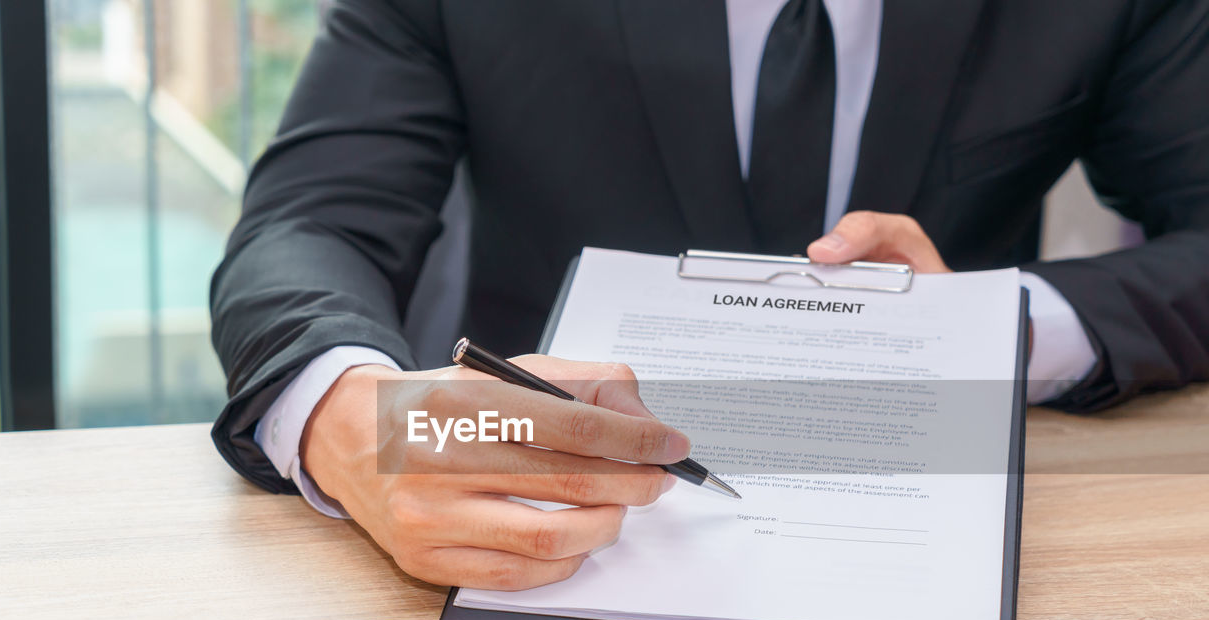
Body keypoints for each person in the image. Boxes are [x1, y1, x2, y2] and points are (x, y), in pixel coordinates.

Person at [210, 0, 1209, 589]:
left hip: (916, 515)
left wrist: (996, 329)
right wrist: (353, 421)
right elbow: (311, 221)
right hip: (536, 519)